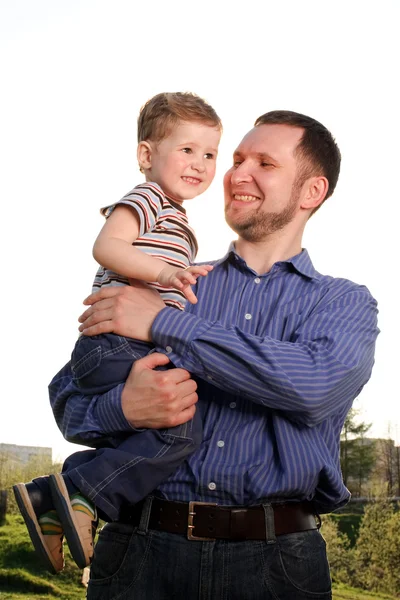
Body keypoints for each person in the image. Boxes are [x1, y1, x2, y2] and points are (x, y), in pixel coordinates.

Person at [50, 110, 378, 600]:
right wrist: (122, 407)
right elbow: (69, 393)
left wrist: (164, 323)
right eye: (237, 158)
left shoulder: (343, 301)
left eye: (264, 163)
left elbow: (313, 387)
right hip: (139, 552)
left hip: (277, 565)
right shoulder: (165, 278)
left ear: (312, 191)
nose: (235, 173)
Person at [13, 91, 222, 574]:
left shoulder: (176, 215)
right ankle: (86, 494)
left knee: (164, 430)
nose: (200, 163)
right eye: (186, 150)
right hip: (114, 344)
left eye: (209, 153)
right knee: (182, 428)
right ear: (147, 156)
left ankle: (52, 498)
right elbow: (106, 246)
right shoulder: (148, 198)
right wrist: (168, 275)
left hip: (122, 345)